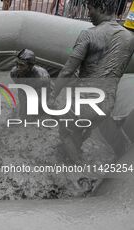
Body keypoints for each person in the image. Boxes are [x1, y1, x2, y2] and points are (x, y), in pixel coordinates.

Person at [49, 0, 134, 162]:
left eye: (89, 8)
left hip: (85, 102)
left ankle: (78, 171)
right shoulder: (129, 39)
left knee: (65, 131)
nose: (88, 13)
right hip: (107, 103)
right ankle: (78, 148)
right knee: (83, 126)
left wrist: (53, 95)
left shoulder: (88, 34)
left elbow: (67, 71)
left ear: (101, 7)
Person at [10, 49, 53, 117]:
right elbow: (21, 91)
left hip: (43, 89)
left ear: (30, 66)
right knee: (21, 112)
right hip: (27, 87)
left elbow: (45, 96)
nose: (18, 67)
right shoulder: (14, 73)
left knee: (37, 112)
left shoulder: (42, 78)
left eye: (21, 65)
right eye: (17, 63)